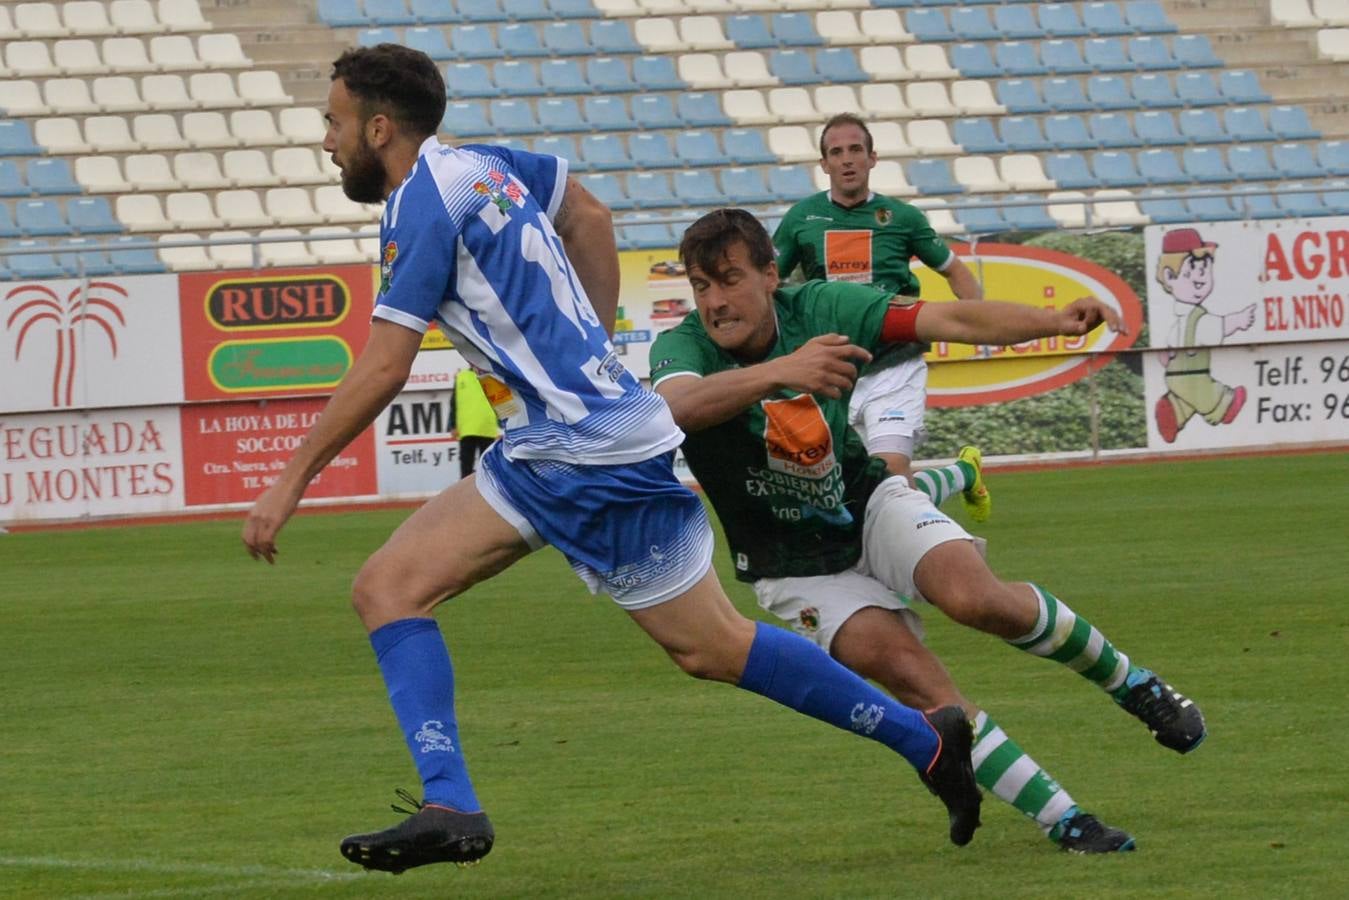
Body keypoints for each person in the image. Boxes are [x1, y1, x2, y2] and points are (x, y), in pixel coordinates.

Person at [241, 45, 982, 875]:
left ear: (380, 128)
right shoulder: (484, 165)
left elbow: (384, 364)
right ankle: (925, 742)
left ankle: (453, 802)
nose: (328, 141)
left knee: (409, 594)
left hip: (577, 452)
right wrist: (588, 353)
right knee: (691, 643)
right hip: (581, 436)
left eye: (334, 123)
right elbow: (588, 214)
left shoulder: (420, 206)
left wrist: (288, 480)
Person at [649, 209, 1210, 851]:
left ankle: (1134, 685)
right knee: (917, 681)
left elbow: (950, 319)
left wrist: (1052, 322)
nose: (715, 302)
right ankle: (1067, 821)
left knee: (980, 599)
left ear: (771, 275)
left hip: (867, 505)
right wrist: (780, 373)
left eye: (729, 279)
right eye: (702, 286)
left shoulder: (822, 306)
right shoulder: (683, 346)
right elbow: (676, 407)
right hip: (792, 567)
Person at [773, 113, 988, 516]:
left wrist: (977, 324)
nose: (847, 159)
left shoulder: (902, 219)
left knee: (890, 479)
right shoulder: (801, 220)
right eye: (836, 152)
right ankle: (962, 472)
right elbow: (768, 284)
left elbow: (956, 271)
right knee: (844, 493)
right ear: (824, 165)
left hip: (894, 366)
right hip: (834, 372)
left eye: (856, 149)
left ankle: (915, 573)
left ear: (873, 158)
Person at [450, 366, 498, 477]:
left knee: (487, 468)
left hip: (487, 428)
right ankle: (466, 493)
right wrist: (453, 425)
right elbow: (453, 403)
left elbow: (502, 402)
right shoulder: (461, 376)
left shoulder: (492, 376)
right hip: (468, 428)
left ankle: (484, 493)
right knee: (467, 467)